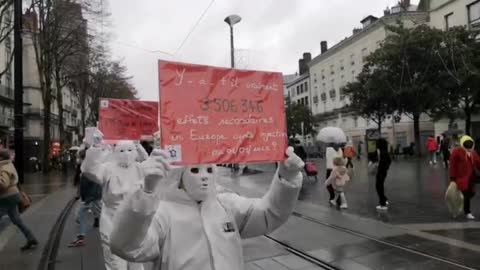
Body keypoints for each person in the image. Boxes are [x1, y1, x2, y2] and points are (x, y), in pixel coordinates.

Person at [109, 147, 304, 270]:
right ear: (180, 175)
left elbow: (268, 214)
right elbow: (127, 246)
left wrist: (286, 176)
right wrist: (146, 191)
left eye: (209, 170)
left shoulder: (226, 205)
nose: (204, 176)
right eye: (195, 170)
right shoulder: (163, 213)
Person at [82, 141, 146, 270]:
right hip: (112, 218)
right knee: (115, 261)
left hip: (135, 221)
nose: (126, 154)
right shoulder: (108, 168)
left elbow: (155, 169)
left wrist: (141, 148)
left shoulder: (140, 168)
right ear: (115, 152)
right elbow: (90, 170)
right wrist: (95, 148)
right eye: (122, 151)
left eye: (129, 150)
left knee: (136, 261)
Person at [0, 149, 38, 250]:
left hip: (6, 197)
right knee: (17, 220)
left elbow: (3, 184)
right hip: (13, 196)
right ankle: (30, 238)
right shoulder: (9, 165)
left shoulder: (3, 167)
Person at [449, 135, 479, 220]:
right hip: (461, 178)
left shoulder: (473, 152)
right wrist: (452, 178)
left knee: (470, 194)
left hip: (471, 178)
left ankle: (461, 208)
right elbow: (453, 165)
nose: (469, 149)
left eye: (471, 147)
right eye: (467, 148)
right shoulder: (457, 152)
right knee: (464, 196)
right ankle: (466, 212)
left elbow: (478, 162)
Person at [376, 138, 392, 211]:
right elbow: (389, 160)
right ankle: (385, 199)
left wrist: (381, 167)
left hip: (381, 171)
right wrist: (386, 167)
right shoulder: (384, 151)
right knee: (380, 186)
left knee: (378, 186)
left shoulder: (383, 152)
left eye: (377, 143)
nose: (376, 144)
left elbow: (385, 162)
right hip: (383, 171)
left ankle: (383, 204)